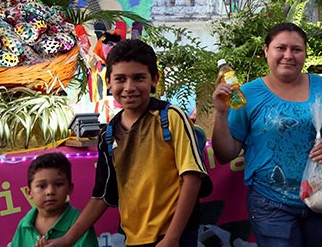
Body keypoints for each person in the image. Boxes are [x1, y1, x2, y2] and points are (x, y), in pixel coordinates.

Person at [45, 39, 211, 247]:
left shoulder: (171, 118)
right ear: (108, 82)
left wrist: (172, 238)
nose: (129, 87)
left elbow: (192, 177)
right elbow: (102, 197)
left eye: (139, 78)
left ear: (154, 80)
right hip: (133, 239)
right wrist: (67, 240)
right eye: (120, 79)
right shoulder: (109, 134)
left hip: (173, 236)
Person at [211, 22, 322, 246]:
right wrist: (220, 113)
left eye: (296, 49)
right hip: (269, 203)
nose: (288, 55)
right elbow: (226, 154)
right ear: (266, 50)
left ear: (305, 53)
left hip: (321, 196)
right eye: (280, 48)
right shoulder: (247, 95)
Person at [10, 152, 98, 247]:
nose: (50, 191)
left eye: (59, 184)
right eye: (42, 186)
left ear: (70, 188)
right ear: (29, 192)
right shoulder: (25, 225)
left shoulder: (81, 224)